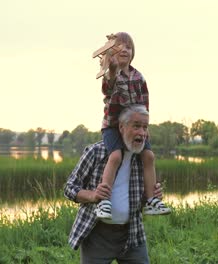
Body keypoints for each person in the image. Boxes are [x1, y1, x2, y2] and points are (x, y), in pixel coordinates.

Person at [64, 105, 164, 263]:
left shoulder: (143, 158)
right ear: (121, 127)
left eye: (145, 127)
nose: (142, 133)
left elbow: (138, 199)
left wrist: (151, 196)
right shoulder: (96, 152)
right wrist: (93, 195)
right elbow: (70, 188)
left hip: (132, 233)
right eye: (136, 126)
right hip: (97, 235)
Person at [96, 32, 170, 219]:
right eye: (119, 47)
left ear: (133, 53)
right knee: (115, 156)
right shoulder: (111, 74)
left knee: (149, 156)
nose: (125, 50)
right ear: (111, 52)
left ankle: (152, 200)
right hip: (113, 126)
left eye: (128, 47)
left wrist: (145, 127)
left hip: (135, 126)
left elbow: (144, 105)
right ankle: (104, 201)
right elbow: (108, 87)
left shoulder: (139, 77)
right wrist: (112, 69)